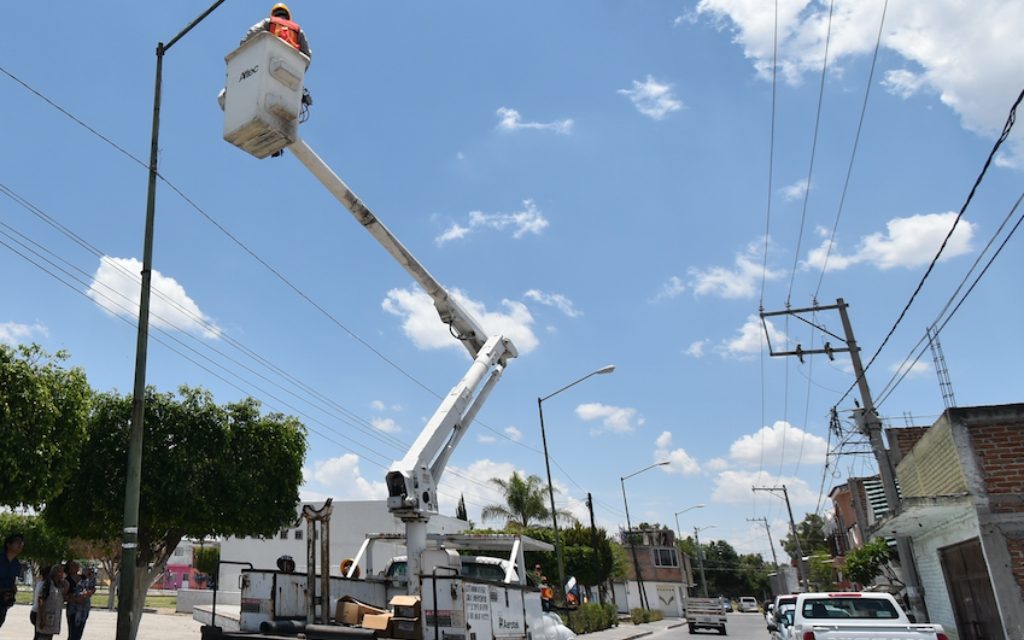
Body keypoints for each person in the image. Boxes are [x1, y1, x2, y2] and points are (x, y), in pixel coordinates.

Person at [243, 3, 312, 65]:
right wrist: (301, 71)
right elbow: (307, 55)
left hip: (270, 57)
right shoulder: (298, 29)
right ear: (288, 15)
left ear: (274, 14)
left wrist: (243, 45)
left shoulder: (269, 21)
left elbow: (252, 32)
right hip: (291, 63)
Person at [65, 560, 95, 640]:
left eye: (76, 565)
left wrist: (89, 593)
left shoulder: (83, 577)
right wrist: (75, 599)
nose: (76, 567)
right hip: (73, 610)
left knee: (79, 633)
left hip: (84, 609)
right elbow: (64, 595)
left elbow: (92, 588)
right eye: (73, 565)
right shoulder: (67, 580)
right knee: (73, 633)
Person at [0, 533, 24, 629]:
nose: (20, 545)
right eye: (17, 542)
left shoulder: (17, 564)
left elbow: (13, 581)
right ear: (8, 545)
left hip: (3, 600)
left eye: (22, 543)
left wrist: (13, 589)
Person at [35, 564, 66, 639]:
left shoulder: (58, 585)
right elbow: (41, 600)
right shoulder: (48, 584)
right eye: (61, 572)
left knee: (49, 636)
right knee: (43, 636)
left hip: (52, 618)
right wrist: (42, 619)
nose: (63, 574)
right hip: (46, 617)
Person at [30, 565, 51, 640]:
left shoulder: (40, 583)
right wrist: (42, 618)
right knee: (41, 636)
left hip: (34, 611)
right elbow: (41, 601)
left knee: (37, 635)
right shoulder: (45, 585)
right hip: (38, 613)